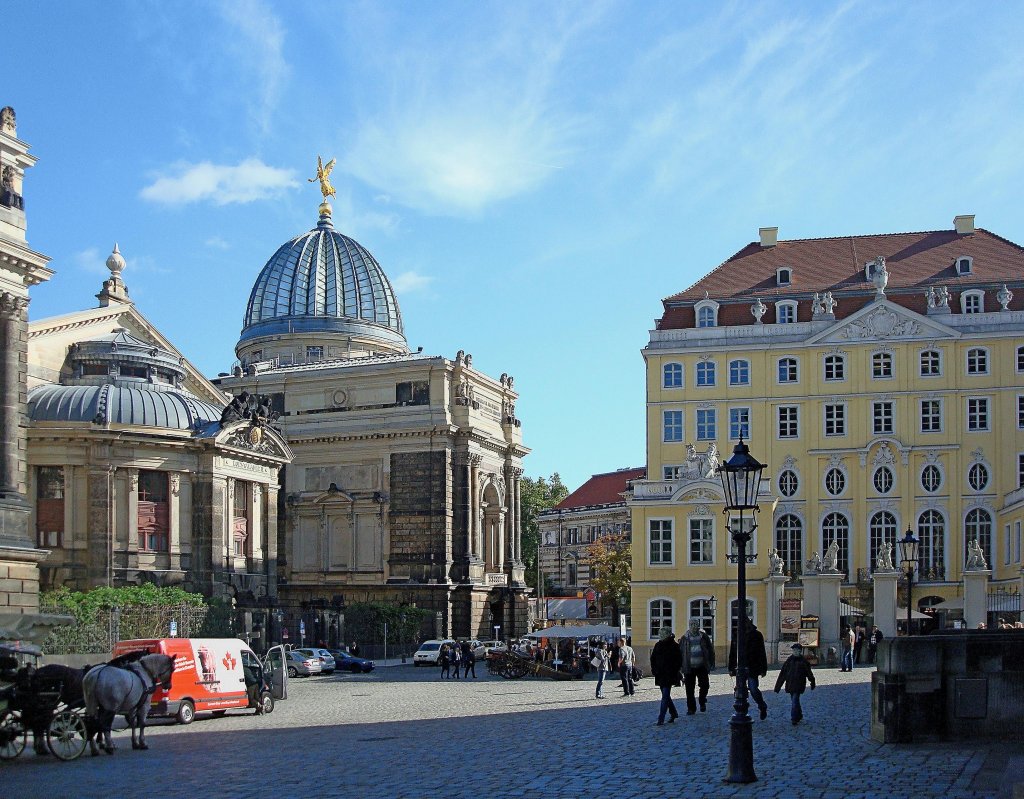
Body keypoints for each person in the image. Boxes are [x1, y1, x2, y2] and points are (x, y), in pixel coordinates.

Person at [728, 618, 769, 720]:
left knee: (753, 689)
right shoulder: (736, 634)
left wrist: (763, 668)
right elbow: (732, 652)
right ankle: (742, 712)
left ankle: (762, 705)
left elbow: (761, 653)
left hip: (752, 667)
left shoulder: (756, 635)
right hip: (739, 667)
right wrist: (731, 667)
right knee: (739, 690)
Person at [680, 617, 715, 714]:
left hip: (702, 665)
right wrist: (680, 667)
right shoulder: (684, 638)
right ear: (689, 625)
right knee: (689, 689)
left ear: (698, 625)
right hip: (689, 667)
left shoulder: (704, 636)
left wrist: (711, 663)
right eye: (692, 624)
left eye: (696, 624)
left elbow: (710, 649)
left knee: (705, 685)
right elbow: (680, 653)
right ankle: (691, 708)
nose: (694, 626)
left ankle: (702, 700)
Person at [774, 642, 816, 725]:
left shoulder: (803, 662)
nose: (796, 652)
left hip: (799, 684)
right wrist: (778, 687)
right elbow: (782, 674)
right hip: (790, 684)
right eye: (794, 650)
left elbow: (809, 673)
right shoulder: (789, 661)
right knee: (795, 701)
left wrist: (812, 682)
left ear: (800, 651)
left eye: (797, 650)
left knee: (794, 700)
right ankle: (799, 714)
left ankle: (794, 718)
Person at [650, 627, 682, 725]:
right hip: (660, 674)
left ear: (667, 634)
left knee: (665, 696)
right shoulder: (658, 645)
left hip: (669, 674)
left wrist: (675, 671)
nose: (660, 635)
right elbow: (653, 659)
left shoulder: (674, 646)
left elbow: (679, 660)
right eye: (660, 634)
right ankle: (673, 713)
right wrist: (654, 670)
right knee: (666, 696)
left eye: (662, 634)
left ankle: (661, 718)